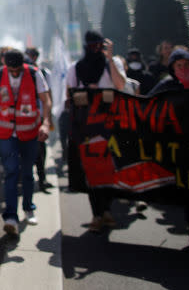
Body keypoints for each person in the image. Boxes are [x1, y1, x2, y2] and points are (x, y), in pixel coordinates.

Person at [147, 48, 189, 247]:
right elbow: (148, 103)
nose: (183, 69)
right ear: (172, 67)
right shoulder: (166, 85)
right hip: (177, 144)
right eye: (179, 66)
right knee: (186, 185)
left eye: (186, 65)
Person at [0, 48, 51, 236]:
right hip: (6, 134)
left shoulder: (34, 74)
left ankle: (28, 207)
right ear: (6, 65)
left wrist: (45, 123)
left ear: (23, 65)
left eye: (17, 70)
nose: (14, 73)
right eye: (11, 70)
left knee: (28, 172)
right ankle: (11, 216)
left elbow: (46, 100)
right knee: (11, 171)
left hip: (29, 133)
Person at [65, 30, 125, 233]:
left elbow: (120, 85)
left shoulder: (112, 64)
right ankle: (97, 214)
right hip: (87, 126)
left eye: (99, 45)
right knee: (91, 171)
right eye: (92, 46)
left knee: (109, 169)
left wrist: (109, 61)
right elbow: (70, 92)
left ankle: (106, 210)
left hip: (109, 125)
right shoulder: (77, 68)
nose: (96, 50)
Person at [25, 47, 54, 192]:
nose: (30, 59)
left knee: (40, 150)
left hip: (39, 117)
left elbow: (48, 95)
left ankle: (42, 179)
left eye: (32, 56)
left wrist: (48, 119)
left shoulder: (42, 73)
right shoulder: (19, 73)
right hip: (23, 120)